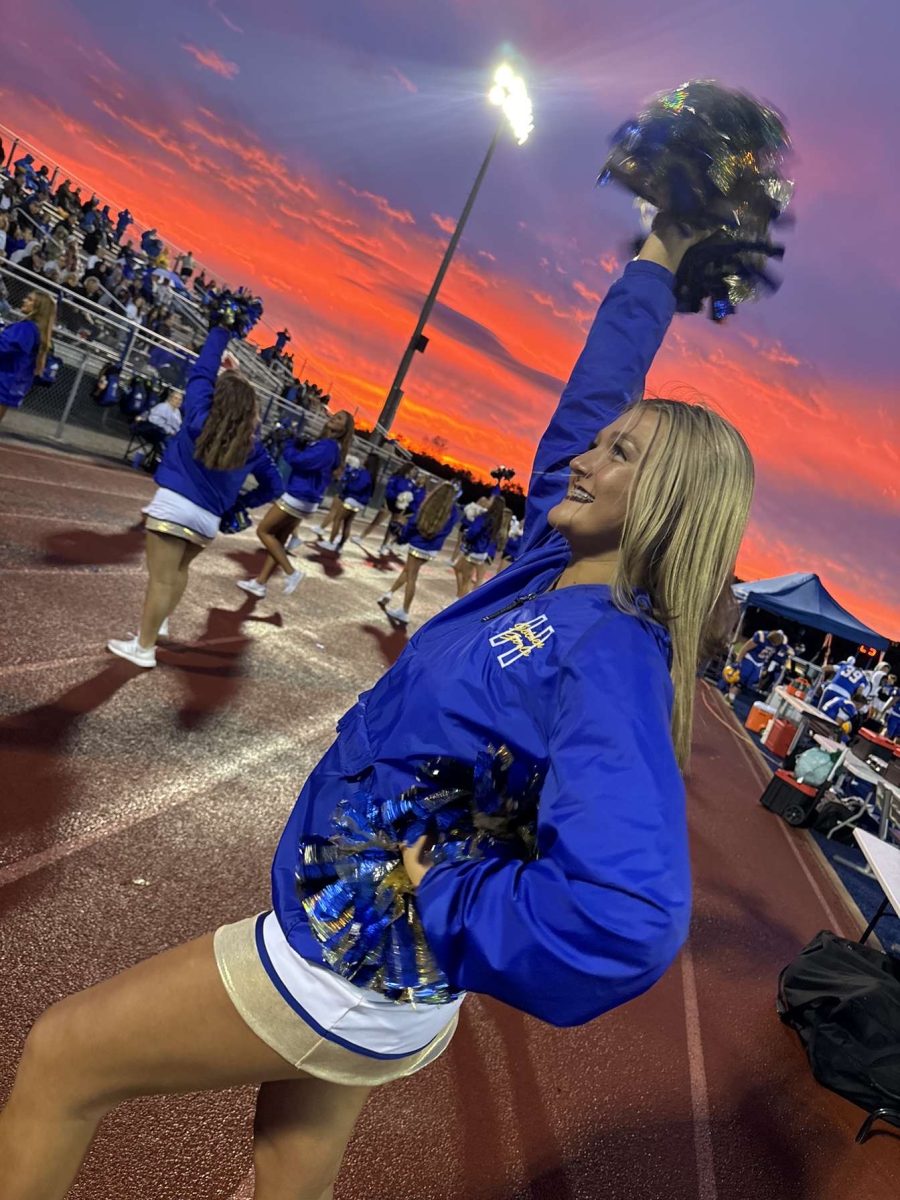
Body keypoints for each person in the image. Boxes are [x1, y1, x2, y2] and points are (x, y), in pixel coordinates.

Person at [0, 220, 755, 1199]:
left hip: (351, 954)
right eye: (602, 441)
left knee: (62, 1060)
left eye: (620, 455)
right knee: (290, 1173)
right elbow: (592, 399)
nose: (587, 457)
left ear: (664, 503)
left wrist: (434, 895)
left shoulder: (611, 650)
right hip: (379, 974)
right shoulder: (549, 574)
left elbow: (627, 916)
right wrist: (657, 257)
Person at [105, 326, 284, 668]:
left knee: (160, 578)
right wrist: (238, 505)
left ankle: (143, 648)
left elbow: (202, 371)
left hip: (172, 506)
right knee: (179, 571)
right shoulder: (253, 445)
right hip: (207, 520)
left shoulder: (198, 415)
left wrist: (220, 333)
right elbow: (274, 487)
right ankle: (156, 626)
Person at [237, 411, 354, 599]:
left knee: (264, 531)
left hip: (299, 495)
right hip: (306, 497)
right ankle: (260, 583)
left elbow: (301, 462)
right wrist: (302, 444)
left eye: (340, 419)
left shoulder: (329, 446)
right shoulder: (328, 445)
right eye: (335, 415)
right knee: (280, 541)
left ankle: (292, 572)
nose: (334, 418)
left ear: (344, 430)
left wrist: (289, 444)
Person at [377, 481, 459, 624]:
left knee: (411, 577)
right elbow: (447, 530)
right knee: (408, 571)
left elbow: (413, 524)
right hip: (432, 548)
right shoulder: (453, 512)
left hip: (418, 545)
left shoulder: (429, 505)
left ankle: (404, 611)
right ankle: (389, 593)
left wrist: (401, 538)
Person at [0, 290, 56, 423]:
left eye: (30, 300)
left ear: (39, 307)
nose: (25, 300)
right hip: (11, 382)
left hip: (4, 379)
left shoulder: (26, 329)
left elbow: (3, 348)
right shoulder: (36, 330)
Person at [317, 453, 377, 554]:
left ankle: (331, 543)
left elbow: (357, 487)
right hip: (357, 502)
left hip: (352, 500)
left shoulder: (365, 474)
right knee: (347, 523)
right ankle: (340, 545)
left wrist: (348, 485)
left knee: (337, 519)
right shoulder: (370, 475)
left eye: (367, 458)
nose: (365, 460)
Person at [350, 465, 416, 553]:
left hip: (400, 507)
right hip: (389, 503)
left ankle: (383, 546)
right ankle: (361, 537)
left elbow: (410, 495)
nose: (414, 472)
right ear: (408, 469)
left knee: (392, 527)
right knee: (376, 521)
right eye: (413, 470)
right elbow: (389, 489)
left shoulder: (411, 482)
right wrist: (397, 496)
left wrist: (406, 500)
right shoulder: (396, 477)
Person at [453, 493, 506, 597]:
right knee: (458, 569)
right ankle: (458, 597)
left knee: (465, 578)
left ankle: (459, 600)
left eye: (490, 500)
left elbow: (474, 532)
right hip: (480, 550)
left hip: (474, 550)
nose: (488, 501)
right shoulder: (495, 519)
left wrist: (467, 534)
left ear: (494, 504)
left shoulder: (485, 517)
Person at [724, 628, 789, 705]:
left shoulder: (780, 644)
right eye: (772, 642)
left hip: (760, 663)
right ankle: (731, 696)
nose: (773, 645)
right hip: (750, 658)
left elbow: (789, 650)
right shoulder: (761, 636)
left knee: (751, 682)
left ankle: (731, 695)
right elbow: (745, 648)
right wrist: (738, 661)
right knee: (741, 677)